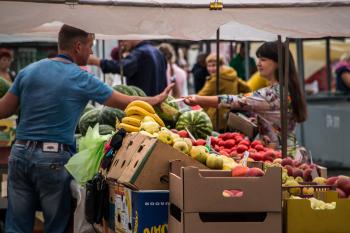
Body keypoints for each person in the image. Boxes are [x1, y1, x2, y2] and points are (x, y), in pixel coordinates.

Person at [0, 24, 173, 233]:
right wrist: (155, 99)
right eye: (90, 46)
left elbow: (3, 109)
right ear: (78, 46)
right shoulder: (81, 77)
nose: (91, 52)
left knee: (16, 226)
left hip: (19, 154)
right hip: (52, 159)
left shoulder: (28, 71)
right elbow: (123, 102)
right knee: (56, 226)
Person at [184, 41, 307, 153]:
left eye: (263, 59)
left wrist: (198, 99)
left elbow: (235, 100)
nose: (258, 63)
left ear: (278, 63)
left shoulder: (272, 94)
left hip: (276, 156)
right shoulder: (286, 88)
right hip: (290, 151)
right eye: (258, 59)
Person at [88, 40, 167, 96]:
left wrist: (97, 61)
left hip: (144, 106)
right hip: (159, 106)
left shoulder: (139, 53)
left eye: (123, 40)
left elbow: (122, 67)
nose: (122, 44)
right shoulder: (157, 52)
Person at [197, 53, 251, 131]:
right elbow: (247, 89)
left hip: (217, 118)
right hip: (231, 115)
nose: (211, 69)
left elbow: (200, 96)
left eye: (214, 65)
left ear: (221, 65)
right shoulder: (232, 75)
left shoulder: (216, 79)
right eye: (209, 66)